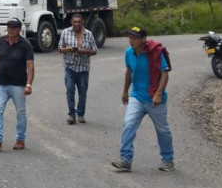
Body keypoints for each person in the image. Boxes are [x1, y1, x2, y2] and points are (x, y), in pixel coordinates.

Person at [111, 26, 175, 172]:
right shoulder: (129, 53)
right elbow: (129, 71)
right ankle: (126, 159)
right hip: (137, 97)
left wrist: (158, 93)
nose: (131, 40)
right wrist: (125, 91)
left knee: (162, 130)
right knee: (128, 124)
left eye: (135, 37)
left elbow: (165, 74)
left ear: (143, 39)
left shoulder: (155, 53)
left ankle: (168, 159)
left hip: (155, 100)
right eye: (130, 37)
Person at [0, 18, 34, 151]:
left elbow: (30, 66)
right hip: (1, 84)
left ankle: (20, 140)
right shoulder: (0, 42)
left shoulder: (25, 45)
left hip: (18, 85)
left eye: (14, 27)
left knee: (20, 113)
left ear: (19, 29)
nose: (11, 29)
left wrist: (29, 84)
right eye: (9, 26)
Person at [58, 13, 98, 124]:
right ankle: (71, 114)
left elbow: (95, 51)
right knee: (70, 90)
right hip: (69, 67)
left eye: (79, 22)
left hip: (83, 68)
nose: (77, 24)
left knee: (83, 92)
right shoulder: (65, 33)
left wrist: (85, 51)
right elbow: (60, 48)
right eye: (74, 22)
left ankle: (81, 114)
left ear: (82, 22)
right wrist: (68, 49)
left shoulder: (88, 34)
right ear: (71, 22)